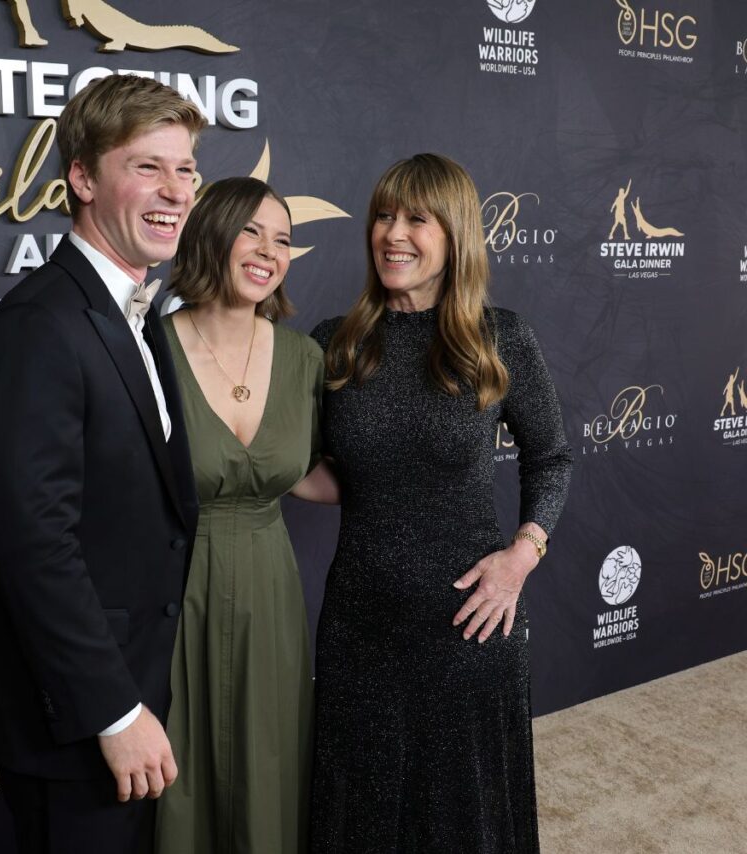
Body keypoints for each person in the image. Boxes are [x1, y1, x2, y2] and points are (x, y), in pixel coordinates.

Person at [0, 74, 206, 854]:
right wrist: (115, 711)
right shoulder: (39, 325)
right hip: (74, 716)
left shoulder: (133, 311)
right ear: (81, 177)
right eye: (147, 167)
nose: (176, 191)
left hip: (129, 688)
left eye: (187, 169)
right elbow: (34, 545)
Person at [309, 154, 572, 853]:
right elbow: (309, 470)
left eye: (416, 219)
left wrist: (522, 555)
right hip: (360, 623)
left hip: (469, 623)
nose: (393, 234)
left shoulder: (499, 337)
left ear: (455, 235)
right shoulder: (334, 344)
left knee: (466, 817)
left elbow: (551, 460)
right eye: (384, 217)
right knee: (357, 810)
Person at [154, 177, 337, 854]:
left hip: (270, 591)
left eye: (284, 238)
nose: (269, 250)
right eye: (251, 231)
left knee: (269, 767)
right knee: (180, 775)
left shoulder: (303, 358)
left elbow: (309, 475)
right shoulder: (148, 349)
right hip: (173, 591)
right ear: (210, 234)